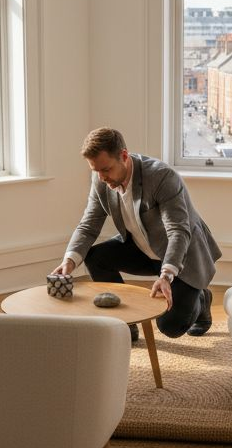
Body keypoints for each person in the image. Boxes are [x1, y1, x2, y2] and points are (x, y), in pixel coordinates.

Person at [53, 127, 221, 342]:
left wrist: (167, 275)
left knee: (170, 326)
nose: (102, 177)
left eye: (106, 169)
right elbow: (88, 225)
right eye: (96, 171)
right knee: (95, 257)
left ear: (124, 156)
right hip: (143, 249)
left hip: (182, 257)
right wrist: (69, 262)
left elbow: (178, 230)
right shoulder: (101, 180)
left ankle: (202, 299)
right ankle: (126, 324)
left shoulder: (161, 176)